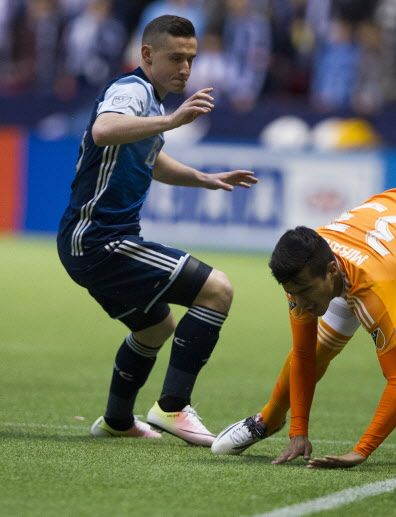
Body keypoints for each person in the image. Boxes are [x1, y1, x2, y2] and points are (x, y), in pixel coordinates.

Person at [57, 15, 257, 445]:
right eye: (176, 58)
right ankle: (172, 407)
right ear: (146, 55)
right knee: (217, 290)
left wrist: (204, 178)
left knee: (155, 328)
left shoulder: (151, 100)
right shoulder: (131, 89)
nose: (185, 68)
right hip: (100, 239)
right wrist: (173, 122)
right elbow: (104, 129)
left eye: (191, 59)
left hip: (91, 240)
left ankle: (116, 420)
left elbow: (153, 158)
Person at [212, 188, 396, 467]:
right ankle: (269, 419)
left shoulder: (373, 289)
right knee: (320, 348)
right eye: (292, 293)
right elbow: (304, 355)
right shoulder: (303, 272)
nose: (300, 303)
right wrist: (298, 432)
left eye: (304, 292)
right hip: (394, 226)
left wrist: (361, 451)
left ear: (332, 272)